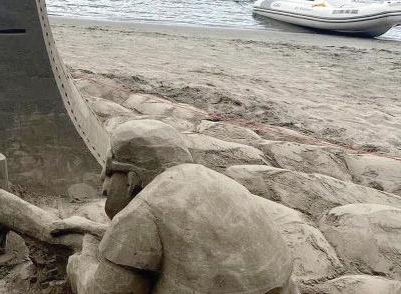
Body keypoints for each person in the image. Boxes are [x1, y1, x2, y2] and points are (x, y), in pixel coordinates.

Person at [50, 119, 298, 294]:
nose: (103, 186)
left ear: (132, 180)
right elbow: (181, 238)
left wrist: (82, 259)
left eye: (108, 174)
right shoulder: (220, 183)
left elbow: (105, 291)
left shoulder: (144, 210)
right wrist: (91, 228)